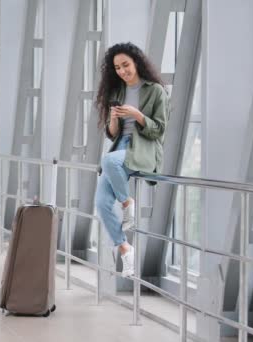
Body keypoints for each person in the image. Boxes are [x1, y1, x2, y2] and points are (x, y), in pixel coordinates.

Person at [95, 42, 167, 277]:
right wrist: (114, 118)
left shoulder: (155, 90)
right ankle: (125, 249)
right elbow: (113, 134)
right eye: (117, 68)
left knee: (108, 162)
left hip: (143, 149)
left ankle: (127, 204)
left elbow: (159, 130)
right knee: (102, 203)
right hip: (121, 148)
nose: (122, 71)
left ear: (136, 62)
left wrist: (137, 115)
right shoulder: (117, 93)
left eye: (125, 65)